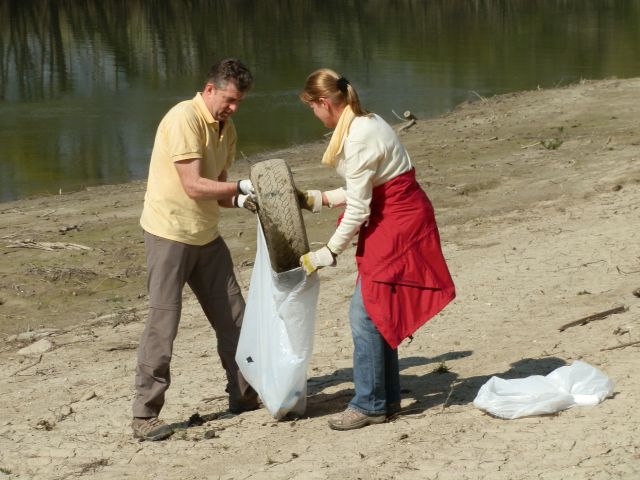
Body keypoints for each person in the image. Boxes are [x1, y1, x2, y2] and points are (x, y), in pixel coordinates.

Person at [297, 68, 456, 431]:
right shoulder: (364, 122)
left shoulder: (358, 137)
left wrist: (329, 252)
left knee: (365, 314)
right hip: (394, 215)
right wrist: (319, 199)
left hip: (399, 224)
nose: (314, 115)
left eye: (312, 108)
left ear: (325, 103)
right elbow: (366, 188)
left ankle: (370, 403)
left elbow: (359, 207)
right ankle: (387, 398)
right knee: (376, 309)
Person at [131, 58, 259, 441]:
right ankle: (144, 416)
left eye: (239, 102)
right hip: (169, 235)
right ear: (209, 89)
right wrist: (242, 187)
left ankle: (244, 395)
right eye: (230, 99)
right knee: (163, 326)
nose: (233, 107)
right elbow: (193, 185)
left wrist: (241, 201)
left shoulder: (227, 128)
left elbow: (217, 194)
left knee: (236, 319)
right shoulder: (183, 119)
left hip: (206, 237)